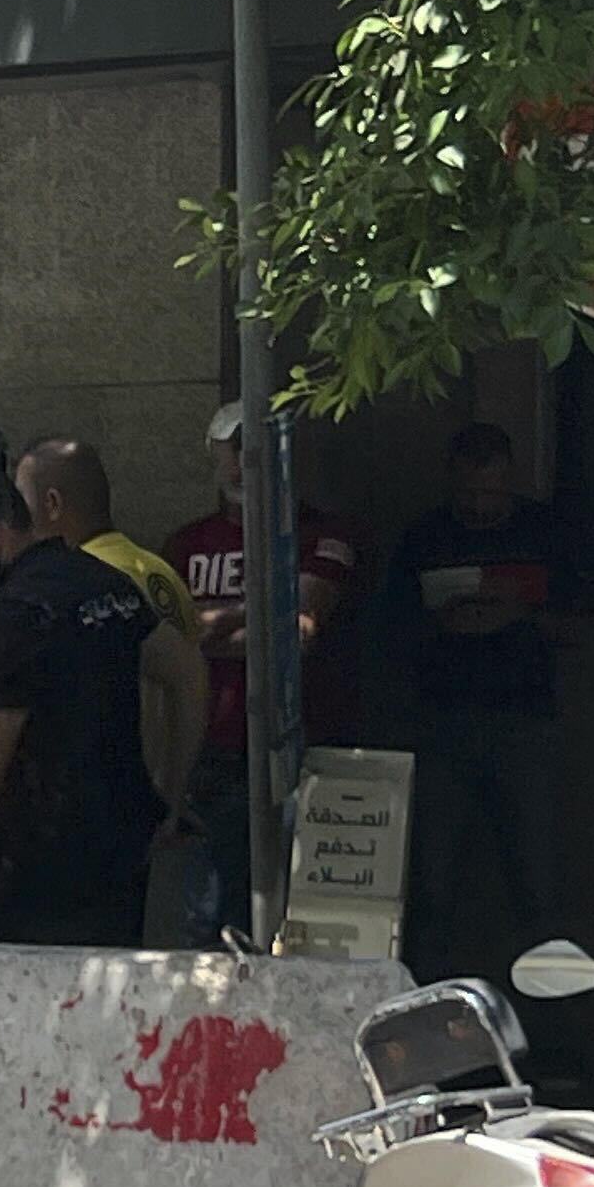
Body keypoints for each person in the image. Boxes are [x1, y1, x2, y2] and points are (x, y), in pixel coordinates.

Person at [0, 465, 191, 945]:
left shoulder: (16, 612)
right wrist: (170, 790)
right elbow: (186, 671)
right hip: (119, 850)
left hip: (32, 877)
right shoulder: (107, 584)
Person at [165, 404, 370, 944]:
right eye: (229, 453)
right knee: (206, 918)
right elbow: (174, 639)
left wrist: (214, 625)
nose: (238, 466)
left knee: (296, 917)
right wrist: (262, 610)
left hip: (298, 753)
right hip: (210, 755)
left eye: (250, 453)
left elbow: (299, 630)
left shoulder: (322, 534)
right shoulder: (186, 546)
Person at [13, 437, 215, 940]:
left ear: (52, 505)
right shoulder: (159, 572)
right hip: (148, 804)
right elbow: (190, 679)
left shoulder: (82, 583)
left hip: (93, 811)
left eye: (22, 503)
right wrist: (173, 787)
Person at [390, 419, 567, 976]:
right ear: (451, 480)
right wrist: (443, 623)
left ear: (510, 478)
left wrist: (518, 616)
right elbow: (386, 633)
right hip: (443, 723)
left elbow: (587, 623)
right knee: (434, 887)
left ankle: (552, 1034)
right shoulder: (425, 538)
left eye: (491, 491)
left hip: (524, 722)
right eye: (468, 492)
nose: (480, 504)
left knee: (538, 886)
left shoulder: (544, 532)